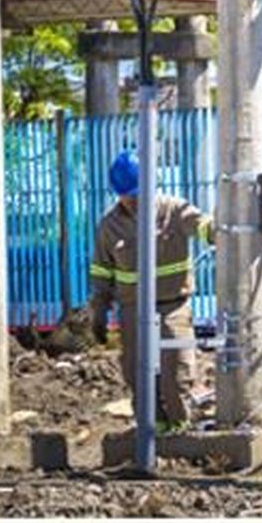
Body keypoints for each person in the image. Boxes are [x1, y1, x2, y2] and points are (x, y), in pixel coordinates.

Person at [88, 149, 213, 432]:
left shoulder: (173, 210)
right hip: (133, 309)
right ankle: (152, 429)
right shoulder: (109, 226)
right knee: (138, 374)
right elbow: (101, 272)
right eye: (127, 195)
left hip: (173, 306)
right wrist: (99, 312)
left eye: (137, 194)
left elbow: (201, 224)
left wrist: (216, 229)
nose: (133, 201)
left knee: (176, 372)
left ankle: (181, 427)